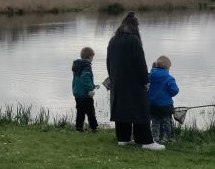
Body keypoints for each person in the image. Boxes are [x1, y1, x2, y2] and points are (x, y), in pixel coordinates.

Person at [105, 11, 164, 150]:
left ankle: (123, 138)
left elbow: (108, 62)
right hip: (133, 82)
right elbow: (140, 63)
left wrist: (113, 78)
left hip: (117, 81)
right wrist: (145, 81)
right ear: (135, 27)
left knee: (121, 109)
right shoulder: (133, 40)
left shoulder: (113, 40)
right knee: (140, 110)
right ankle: (146, 141)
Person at [148, 55, 179, 144]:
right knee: (167, 122)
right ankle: (169, 138)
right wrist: (170, 93)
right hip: (166, 106)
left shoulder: (150, 76)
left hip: (152, 105)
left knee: (155, 122)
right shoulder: (169, 78)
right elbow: (174, 90)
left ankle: (155, 138)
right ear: (167, 68)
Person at [71, 46, 98, 133]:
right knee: (90, 111)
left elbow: (79, 80)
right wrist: (90, 89)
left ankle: (79, 128)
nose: (92, 59)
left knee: (80, 111)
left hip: (77, 93)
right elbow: (85, 78)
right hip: (85, 94)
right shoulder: (86, 66)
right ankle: (94, 127)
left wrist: (93, 85)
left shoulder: (77, 66)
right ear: (90, 57)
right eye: (92, 57)